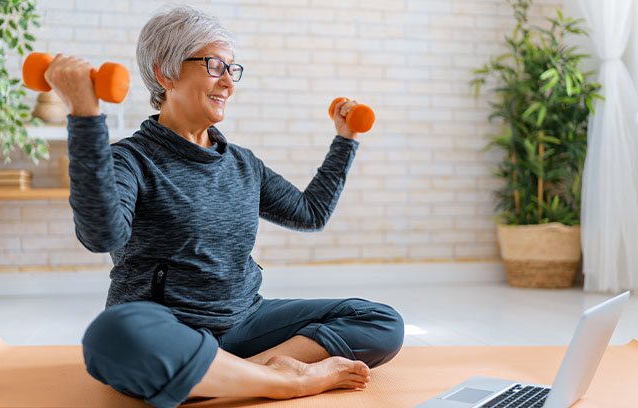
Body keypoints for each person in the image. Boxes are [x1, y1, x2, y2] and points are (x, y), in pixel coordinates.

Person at [44, 5, 404, 408]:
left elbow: (310, 213)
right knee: (112, 335)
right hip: (167, 327)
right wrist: (85, 114)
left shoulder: (241, 164)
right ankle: (286, 381)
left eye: (233, 70)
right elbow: (101, 235)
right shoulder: (130, 159)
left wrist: (346, 138)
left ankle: (230, 375)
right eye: (215, 66)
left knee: (381, 322)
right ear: (166, 72)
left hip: (245, 322)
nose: (228, 83)